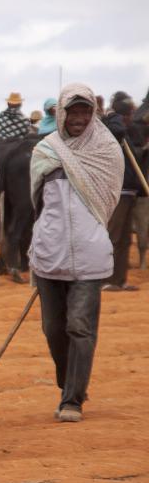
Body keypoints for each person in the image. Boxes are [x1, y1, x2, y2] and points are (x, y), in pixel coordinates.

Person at [29, 83, 123, 423]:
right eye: (73, 111)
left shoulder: (107, 151)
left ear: (93, 113)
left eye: (86, 111)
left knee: (80, 327)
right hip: (48, 254)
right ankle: (69, 382)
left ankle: (72, 400)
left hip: (90, 254)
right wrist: (42, 240)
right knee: (53, 329)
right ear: (61, 114)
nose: (79, 117)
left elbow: (108, 201)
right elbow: (36, 204)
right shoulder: (44, 151)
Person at [102, 92, 146, 292]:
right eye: (129, 114)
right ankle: (107, 279)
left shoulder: (127, 133)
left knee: (126, 238)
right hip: (116, 191)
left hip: (129, 192)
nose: (131, 118)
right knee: (115, 236)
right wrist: (115, 114)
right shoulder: (113, 129)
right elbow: (117, 129)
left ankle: (120, 280)